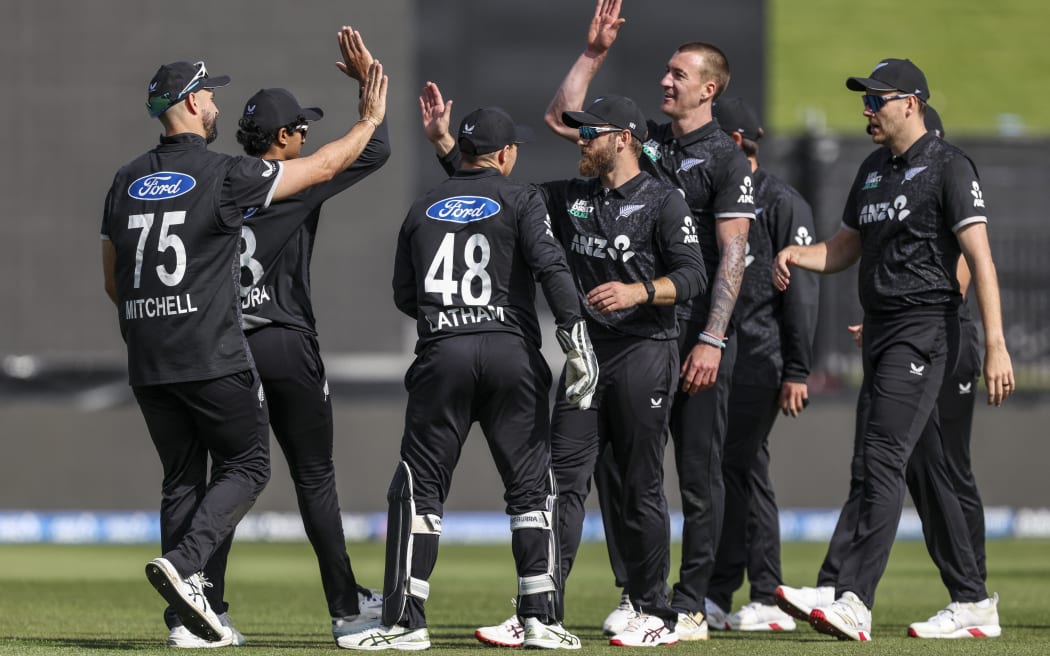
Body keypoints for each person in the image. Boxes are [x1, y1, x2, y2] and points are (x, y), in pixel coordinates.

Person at [100, 26, 388, 647]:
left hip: (150, 355)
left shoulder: (125, 178)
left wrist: (160, 316)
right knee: (255, 465)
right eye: (209, 94)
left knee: (183, 479)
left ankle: (192, 618)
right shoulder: (228, 174)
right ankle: (192, 570)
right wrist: (369, 113)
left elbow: (112, 279)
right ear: (190, 101)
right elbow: (332, 163)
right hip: (221, 348)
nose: (215, 104)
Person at [417, 84, 706, 647]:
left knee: (641, 484)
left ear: (623, 140)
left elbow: (694, 274)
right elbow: (491, 192)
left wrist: (638, 291)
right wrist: (447, 144)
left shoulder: (664, 200)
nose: (581, 138)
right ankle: (540, 610)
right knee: (559, 485)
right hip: (586, 358)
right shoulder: (570, 196)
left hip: (646, 351)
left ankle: (655, 611)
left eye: (590, 131)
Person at [336, 105, 598, 651]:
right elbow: (551, 268)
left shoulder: (423, 205)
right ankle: (540, 620)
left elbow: (404, 294)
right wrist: (575, 341)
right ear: (505, 154)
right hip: (511, 355)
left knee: (420, 490)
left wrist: (451, 320)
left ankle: (406, 624)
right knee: (531, 490)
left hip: (443, 354)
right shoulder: (522, 198)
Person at [772, 58, 1014, 641]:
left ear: (911, 103)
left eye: (877, 99)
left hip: (926, 329)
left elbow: (980, 259)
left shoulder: (950, 166)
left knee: (880, 458)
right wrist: (798, 255)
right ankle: (972, 600)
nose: (867, 109)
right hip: (881, 331)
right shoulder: (872, 169)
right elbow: (844, 247)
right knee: (924, 470)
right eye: (865, 99)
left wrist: (996, 346)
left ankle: (852, 597)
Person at [543, 0, 755, 639]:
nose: (665, 81)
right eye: (665, 71)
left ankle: (690, 603)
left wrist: (712, 337)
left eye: (678, 74)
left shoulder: (726, 158)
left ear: (708, 89)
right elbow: (563, 119)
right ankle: (636, 593)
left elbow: (733, 253)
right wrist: (593, 54)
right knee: (622, 472)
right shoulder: (648, 140)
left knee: (696, 474)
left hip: (697, 330)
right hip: (640, 332)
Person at [697, 97, 818, 633]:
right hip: (724, 355)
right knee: (731, 470)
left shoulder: (782, 202)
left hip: (763, 356)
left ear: (733, 142)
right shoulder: (714, 196)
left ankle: (763, 594)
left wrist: (797, 369)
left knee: (743, 468)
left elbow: (802, 293)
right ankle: (726, 591)